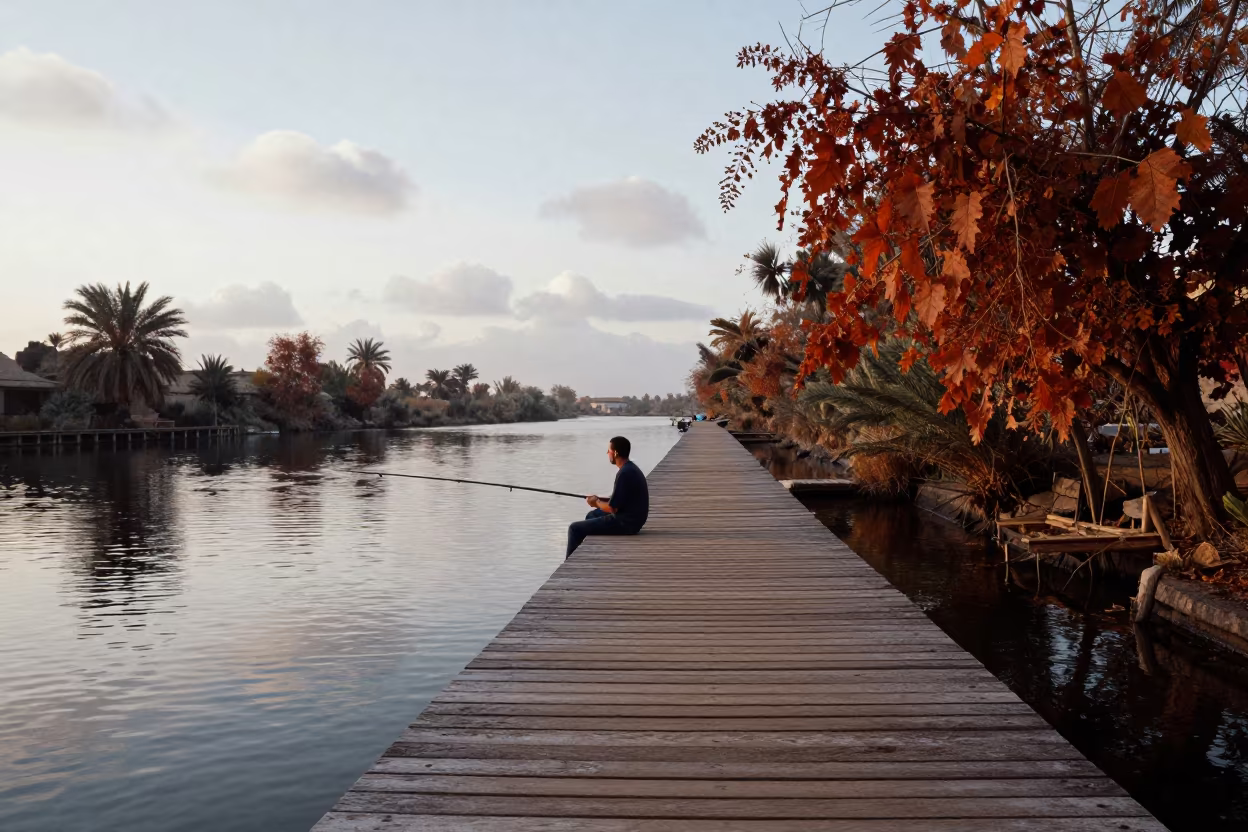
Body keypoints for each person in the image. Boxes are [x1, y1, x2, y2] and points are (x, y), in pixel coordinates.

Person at [566, 435, 649, 557]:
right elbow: (621, 499)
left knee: (574, 528)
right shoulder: (630, 468)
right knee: (592, 515)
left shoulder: (624, 473)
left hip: (626, 523)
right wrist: (598, 500)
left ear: (615, 453)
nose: (607, 453)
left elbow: (612, 509)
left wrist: (596, 503)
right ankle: (587, 553)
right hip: (633, 519)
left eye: (609, 450)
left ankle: (569, 564)